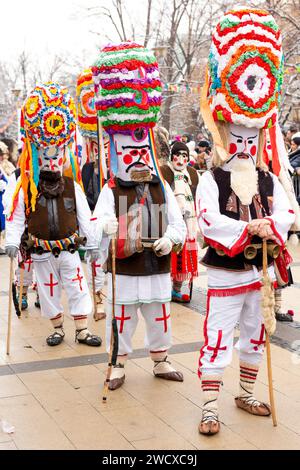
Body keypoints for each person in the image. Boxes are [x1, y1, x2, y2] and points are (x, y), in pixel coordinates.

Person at [196, 7, 295, 435]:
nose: (243, 145)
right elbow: (207, 219)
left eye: (250, 139)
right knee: (218, 336)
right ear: (223, 132)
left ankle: (247, 391)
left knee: (256, 335)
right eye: (236, 137)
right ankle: (209, 406)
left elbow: (290, 211)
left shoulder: (269, 177)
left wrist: (268, 226)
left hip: (261, 274)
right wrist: (244, 229)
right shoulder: (209, 178)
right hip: (225, 274)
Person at [92, 41, 186, 390]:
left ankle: (161, 360)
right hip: (125, 267)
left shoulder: (162, 186)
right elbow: (94, 225)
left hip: (157, 267)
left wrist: (170, 240)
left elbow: (178, 225)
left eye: (141, 152)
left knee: (160, 315)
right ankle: (117, 364)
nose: (137, 159)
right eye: (129, 153)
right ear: (118, 154)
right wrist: (105, 225)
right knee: (122, 317)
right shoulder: (110, 189)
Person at [5, 82, 101, 347]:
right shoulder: (28, 186)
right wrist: (12, 240)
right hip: (41, 252)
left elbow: (85, 217)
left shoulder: (72, 186)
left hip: (69, 250)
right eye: (45, 158)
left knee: (77, 286)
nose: (51, 163)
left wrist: (92, 242)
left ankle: (82, 329)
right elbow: (15, 217)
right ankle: (57, 328)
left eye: (56, 157)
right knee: (47, 291)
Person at [76, 68, 106, 321]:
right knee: (95, 256)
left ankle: (104, 292)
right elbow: (85, 193)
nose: (98, 151)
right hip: (93, 214)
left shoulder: (113, 167)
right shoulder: (86, 168)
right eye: (95, 148)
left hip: (110, 213)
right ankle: (97, 294)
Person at [160, 141, 199, 302]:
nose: (180, 159)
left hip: (189, 222)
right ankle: (162, 288)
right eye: (177, 155)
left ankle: (177, 288)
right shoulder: (164, 171)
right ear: (171, 156)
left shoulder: (193, 174)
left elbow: (199, 195)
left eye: (184, 156)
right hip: (169, 221)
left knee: (184, 256)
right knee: (167, 254)